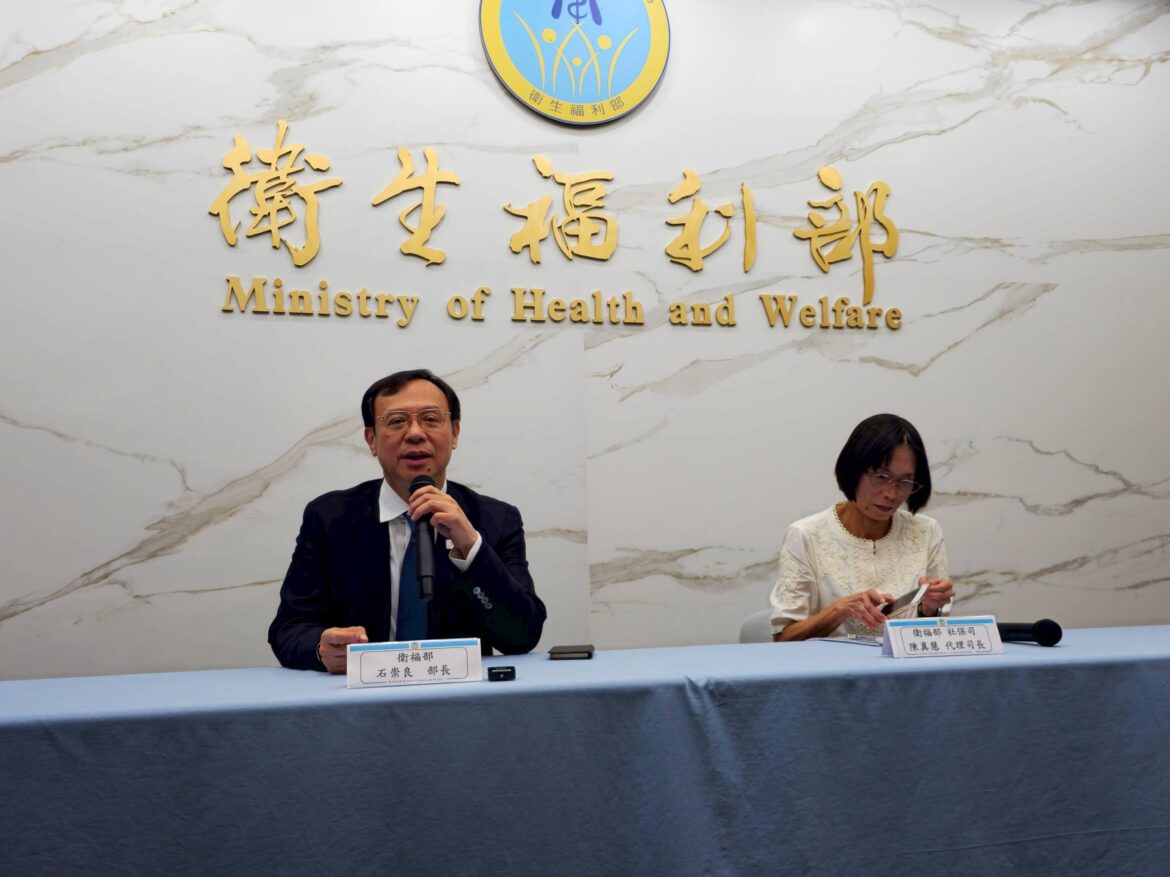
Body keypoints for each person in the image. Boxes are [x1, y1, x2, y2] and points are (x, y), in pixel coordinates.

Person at [268, 369, 547, 672]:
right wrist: (321, 648)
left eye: (430, 419)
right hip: (361, 695)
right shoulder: (329, 517)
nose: (415, 433)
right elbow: (289, 627)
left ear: (454, 433)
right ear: (371, 439)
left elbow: (522, 636)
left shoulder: (496, 519)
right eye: (397, 421)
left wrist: (471, 547)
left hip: (458, 695)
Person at [770, 413, 954, 641]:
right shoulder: (806, 535)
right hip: (831, 664)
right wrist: (839, 610)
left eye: (905, 481)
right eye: (881, 477)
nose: (891, 494)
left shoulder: (926, 531)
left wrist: (931, 608)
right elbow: (783, 638)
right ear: (853, 470)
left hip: (904, 663)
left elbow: (936, 635)